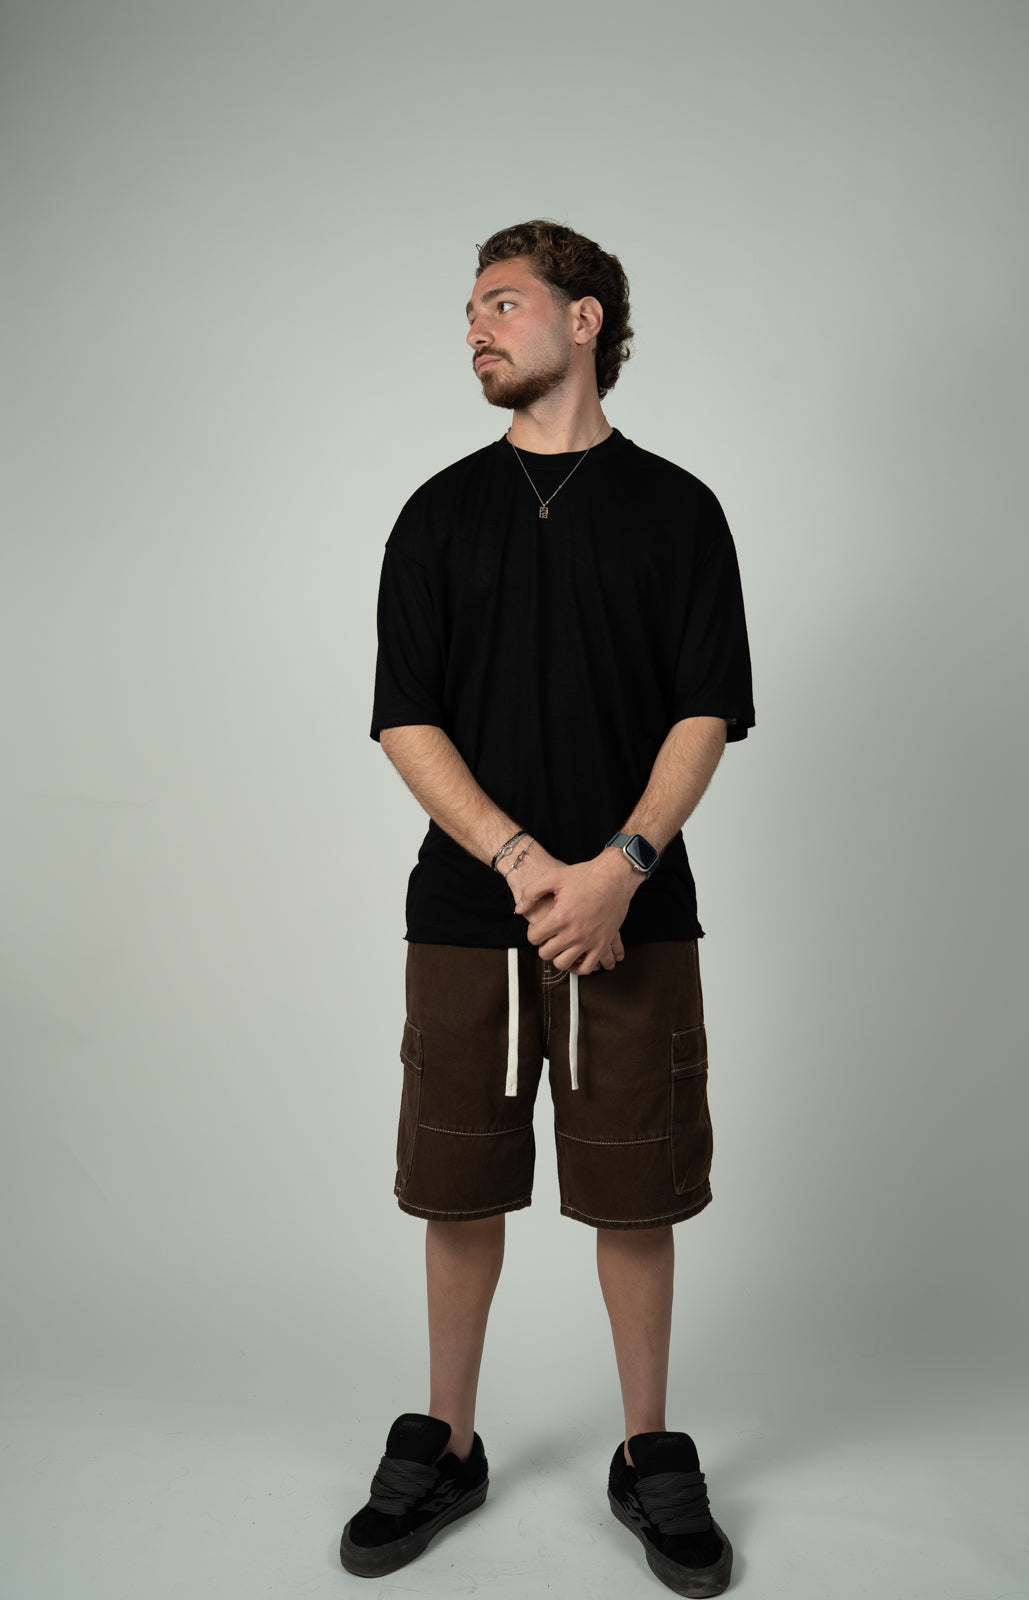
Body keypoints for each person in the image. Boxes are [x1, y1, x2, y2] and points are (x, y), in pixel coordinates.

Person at [339, 220, 754, 1598]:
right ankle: (448, 1441)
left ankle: (648, 1450)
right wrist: (524, 861)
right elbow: (404, 719)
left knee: (637, 1187)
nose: (475, 326)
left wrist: (621, 864)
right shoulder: (436, 514)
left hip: (640, 910)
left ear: (585, 321)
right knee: (458, 1181)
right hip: (468, 912)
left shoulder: (680, 511)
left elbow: (706, 709)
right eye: (469, 308)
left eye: (503, 302)